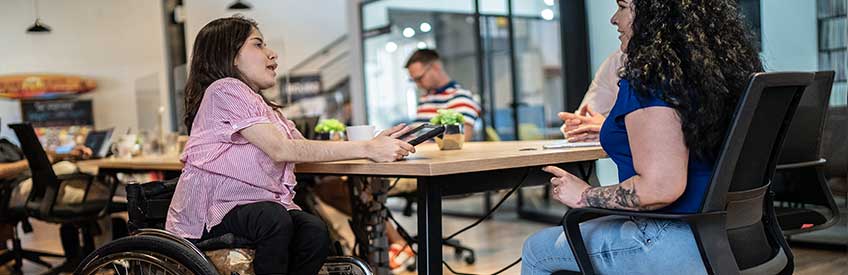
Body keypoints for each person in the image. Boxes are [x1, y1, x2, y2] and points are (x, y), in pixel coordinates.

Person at [521, 0, 763, 273]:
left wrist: (585, 196)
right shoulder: (712, 76)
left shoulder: (653, 80)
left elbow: (660, 188)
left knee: (537, 250)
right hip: (736, 237)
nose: (614, 19)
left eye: (623, 7)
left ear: (656, 12)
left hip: (674, 239)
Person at [165, 16, 415, 275]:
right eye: (258, 44)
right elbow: (282, 149)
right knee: (273, 219)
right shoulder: (224, 89)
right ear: (230, 55)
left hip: (255, 208)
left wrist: (373, 143)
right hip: (213, 210)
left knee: (314, 230)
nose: (272, 54)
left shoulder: (264, 106)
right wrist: (366, 149)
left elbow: (302, 147)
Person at [312, 49, 483, 272]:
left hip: (431, 169)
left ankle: (396, 245)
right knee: (328, 188)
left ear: (436, 67)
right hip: (411, 163)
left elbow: (461, 140)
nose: (418, 84)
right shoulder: (427, 98)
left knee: (358, 189)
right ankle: (394, 243)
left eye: (419, 78)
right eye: (414, 80)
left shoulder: (461, 98)